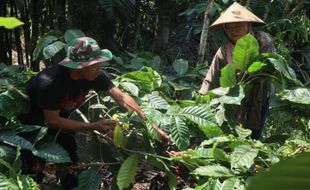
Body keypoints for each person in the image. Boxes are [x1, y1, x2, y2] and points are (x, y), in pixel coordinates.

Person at [19, 36, 169, 188]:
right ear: (79, 66)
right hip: (32, 127)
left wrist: (151, 126)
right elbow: (52, 121)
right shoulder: (52, 82)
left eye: (100, 63)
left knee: (73, 164)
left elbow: (122, 97)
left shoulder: (94, 75)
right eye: (94, 64)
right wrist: (93, 126)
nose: (99, 68)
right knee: (31, 171)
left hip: (63, 123)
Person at [199, 2, 275, 139]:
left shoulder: (263, 41)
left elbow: (266, 70)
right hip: (233, 97)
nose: (233, 31)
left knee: (254, 133)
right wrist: (202, 98)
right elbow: (212, 76)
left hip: (259, 94)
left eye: (238, 26)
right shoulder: (224, 50)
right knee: (233, 132)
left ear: (248, 25)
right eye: (229, 28)